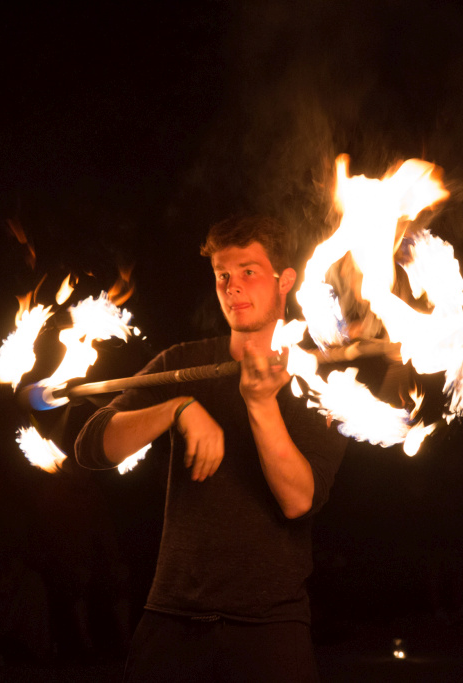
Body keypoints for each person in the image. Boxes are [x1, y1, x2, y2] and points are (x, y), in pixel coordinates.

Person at [75, 215, 348, 682]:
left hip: (269, 630)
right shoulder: (182, 362)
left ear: (286, 280)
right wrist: (176, 408)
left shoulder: (325, 384)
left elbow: (299, 499)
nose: (233, 287)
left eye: (248, 271)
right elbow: (92, 445)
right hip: (171, 622)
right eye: (223, 275)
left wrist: (260, 403)